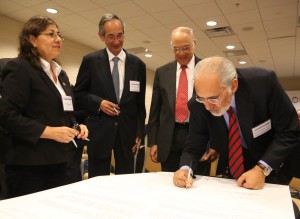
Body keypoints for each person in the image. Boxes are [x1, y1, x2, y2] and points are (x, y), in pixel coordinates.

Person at [173, 56, 300, 216]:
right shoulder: (198, 105)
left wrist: (262, 169)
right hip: (236, 169)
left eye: (213, 98)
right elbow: (193, 146)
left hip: (274, 163)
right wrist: (185, 168)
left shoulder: (263, 84)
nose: (207, 106)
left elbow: (289, 131)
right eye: (201, 98)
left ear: (233, 85)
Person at [0, 15, 88, 198]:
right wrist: (48, 132)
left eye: (59, 34)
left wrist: (76, 126)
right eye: (50, 34)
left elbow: (64, 114)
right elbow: (6, 115)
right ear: (32, 39)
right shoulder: (20, 68)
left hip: (61, 162)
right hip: (30, 167)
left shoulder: (61, 75)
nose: (58, 39)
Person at [73, 13, 146, 177]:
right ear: (101, 36)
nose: (116, 41)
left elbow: (140, 105)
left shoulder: (138, 65)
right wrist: (99, 103)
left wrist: (139, 133)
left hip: (127, 135)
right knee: (97, 181)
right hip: (99, 132)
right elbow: (78, 94)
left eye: (120, 35)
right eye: (111, 36)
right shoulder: (90, 61)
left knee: (125, 181)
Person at [147, 27, 209, 174]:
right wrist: (153, 142)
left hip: (197, 136)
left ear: (194, 43)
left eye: (186, 48)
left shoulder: (207, 69)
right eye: (176, 49)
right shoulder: (162, 72)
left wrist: (213, 144)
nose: (181, 53)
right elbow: (155, 111)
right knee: (169, 184)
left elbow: (214, 111)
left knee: (199, 184)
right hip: (169, 138)